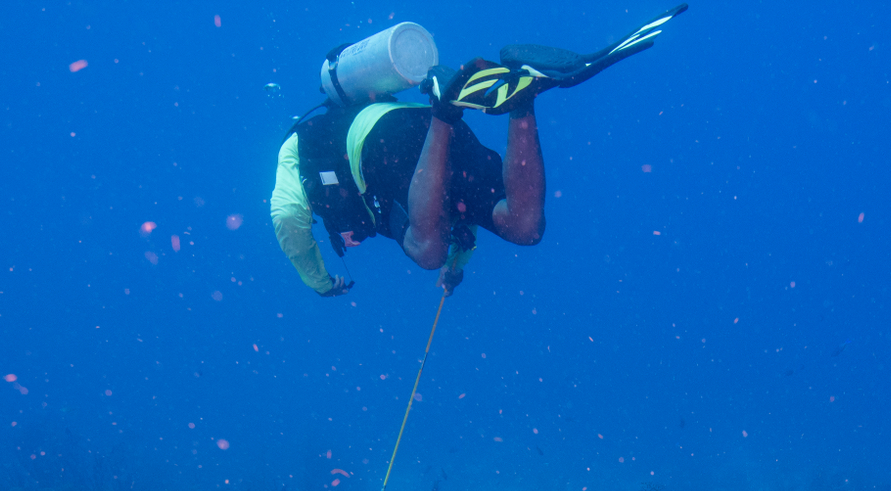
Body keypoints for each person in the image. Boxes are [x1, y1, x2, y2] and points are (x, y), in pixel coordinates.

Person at [271, 6, 685, 298]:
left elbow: (286, 216)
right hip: (424, 131)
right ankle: (522, 95)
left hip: (389, 145)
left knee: (425, 250)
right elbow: (447, 208)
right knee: (523, 226)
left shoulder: (300, 142)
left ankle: (445, 111)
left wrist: (321, 282)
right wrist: (458, 265)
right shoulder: (387, 104)